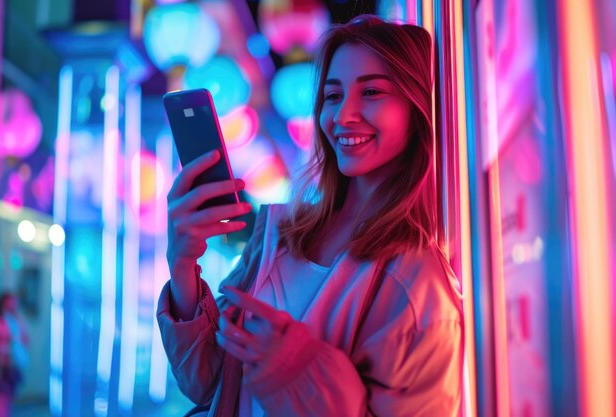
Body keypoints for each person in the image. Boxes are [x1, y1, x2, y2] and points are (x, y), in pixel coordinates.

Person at [158, 14, 463, 417]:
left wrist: (296, 368)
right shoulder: (280, 235)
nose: (343, 115)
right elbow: (210, 384)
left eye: (371, 91)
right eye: (333, 96)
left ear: (417, 106)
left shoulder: (418, 287)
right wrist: (182, 265)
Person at [0, 291, 29, 417]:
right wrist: (2, 349)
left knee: (7, 396)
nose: (13, 305)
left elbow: (25, 339)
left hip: (12, 363)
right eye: (10, 302)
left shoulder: (15, 319)